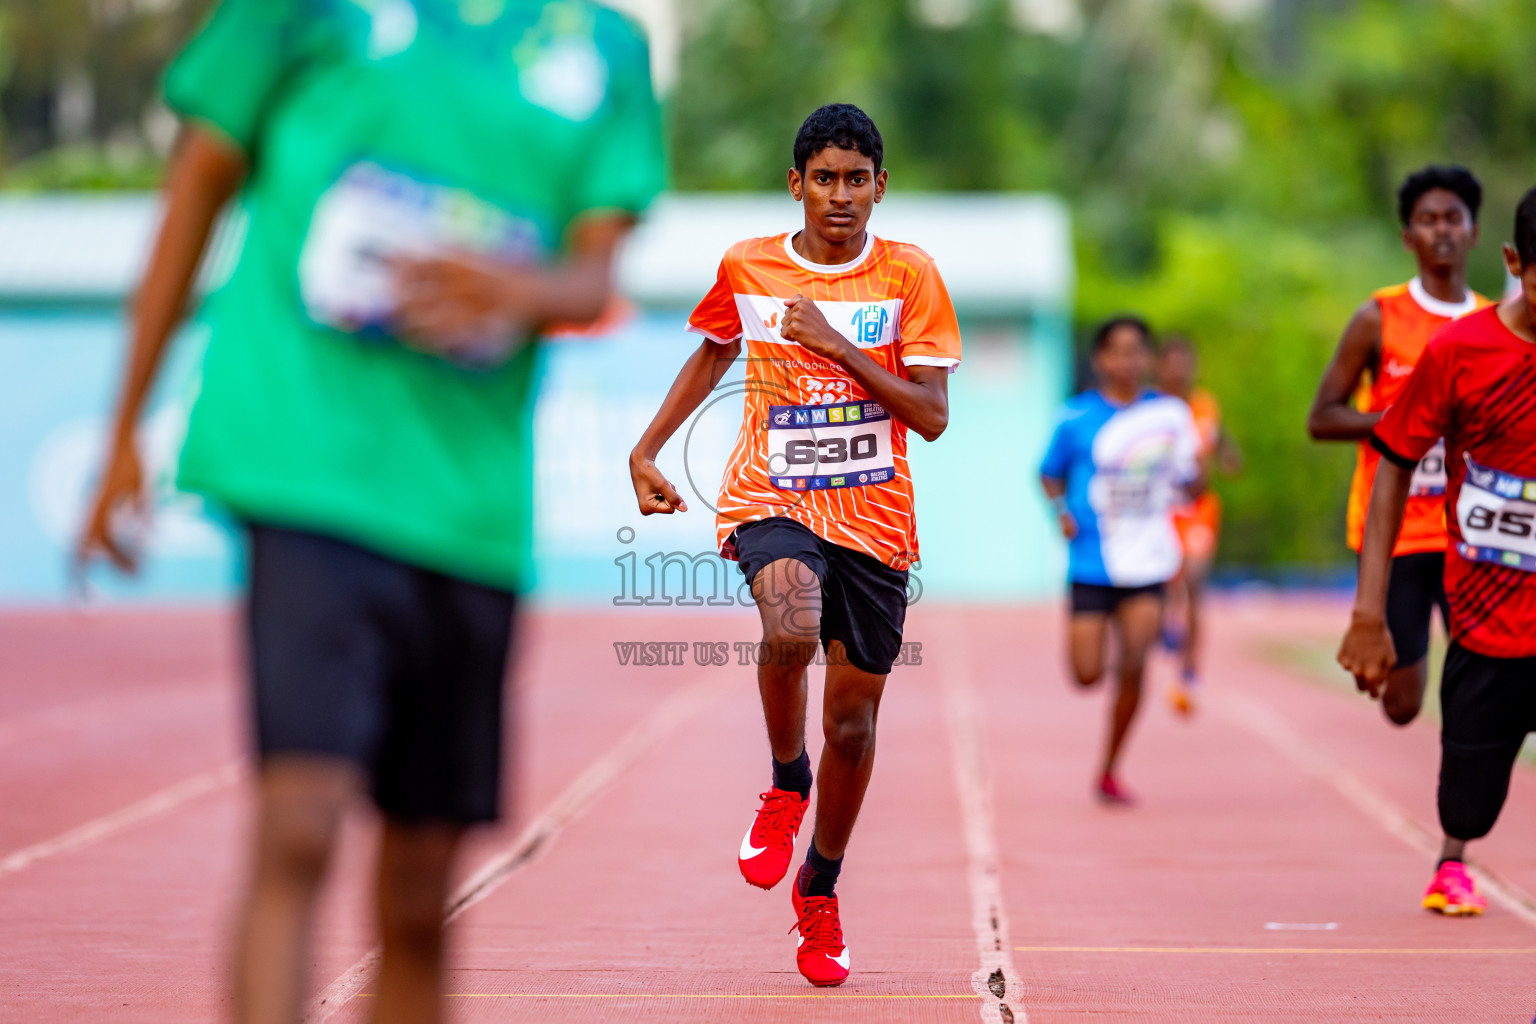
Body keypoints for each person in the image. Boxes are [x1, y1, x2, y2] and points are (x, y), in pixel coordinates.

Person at [75, 2, 665, 1021]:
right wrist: (125, 422)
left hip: (468, 506)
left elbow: (592, 277)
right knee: (298, 820)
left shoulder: (605, 46)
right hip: (304, 463)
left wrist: (515, 289)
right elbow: (196, 187)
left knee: (420, 886)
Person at [628, 103, 960, 987]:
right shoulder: (750, 265)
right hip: (772, 495)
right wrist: (647, 448)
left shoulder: (910, 276)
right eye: (824, 179)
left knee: (853, 720)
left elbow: (929, 415)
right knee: (788, 622)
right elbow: (710, 351)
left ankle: (821, 885)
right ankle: (785, 779)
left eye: (857, 180)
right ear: (797, 184)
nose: (840, 197)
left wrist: (838, 346)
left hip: (876, 520)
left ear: (880, 188)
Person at [1338, 186, 1536, 917]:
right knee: (1467, 801)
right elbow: (1393, 458)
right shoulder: (1460, 350)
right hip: (1487, 625)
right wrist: (1367, 611)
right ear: (1516, 263)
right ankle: (1454, 853)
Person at [1308, 165, 1492, 726]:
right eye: (1427, 220)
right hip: (1399, 532)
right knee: (1402, 702)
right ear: (1407, 236)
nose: (1442, 230)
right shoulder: (1378, 318)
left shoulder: (1493, 323)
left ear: (1474, 232)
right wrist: (1402, 421)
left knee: (1484, 681)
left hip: (1471, 529)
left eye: (1453, 219)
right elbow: (1322, 418)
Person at [1040, 318, 1201, 804]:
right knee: (1087, 675)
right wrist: (1060, 512)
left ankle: (1110, 766)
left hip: (1149, 560)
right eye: (1117, 351)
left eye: (1137, 351)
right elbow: (1048, 475)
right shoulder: (1074, 418)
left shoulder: (1171, 415)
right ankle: (1110, 642)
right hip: (1091, 560)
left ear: (1148, 359)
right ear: (1100, 359)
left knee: (1135, 659)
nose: (1126, 361)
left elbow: (1195, 482)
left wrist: (1191, 473)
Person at [1156, 335, 1241, 715]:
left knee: (1195, 580)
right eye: (1172, 362)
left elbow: (1218, 436)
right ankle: (1163, 631)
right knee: (1161, 586)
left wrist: (1228, 456)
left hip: (1198, 510)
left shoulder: (1205, 404)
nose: (1180, 370)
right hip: (1158, 510)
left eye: (1186, 362)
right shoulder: (1151, 407)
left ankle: (1189, 671)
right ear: (1160, 367)